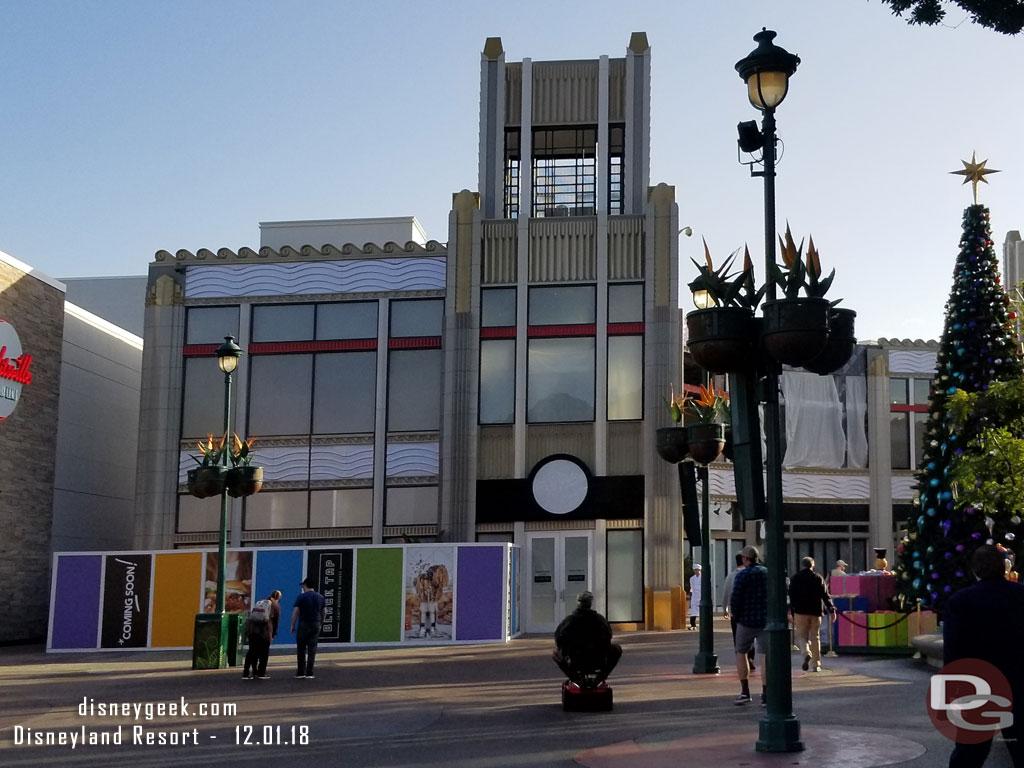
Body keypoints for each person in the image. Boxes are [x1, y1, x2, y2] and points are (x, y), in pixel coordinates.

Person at [944, 545, 1024, 767]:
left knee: (970, 753)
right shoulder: (1021, 596)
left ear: (975, 570)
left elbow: (954, 651)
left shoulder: (960, 601)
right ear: (1004, 568)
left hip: (978, 687)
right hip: (1019, 683)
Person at [553, 591, 622, 688]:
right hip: (598, 659)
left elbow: (558, 639)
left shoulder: (569, 621)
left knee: (556, 653)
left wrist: (567, 649)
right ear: (590, 604)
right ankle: (600, 677)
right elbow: (608, 636)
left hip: (575, 660)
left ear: (578, 603)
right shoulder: (600, 620)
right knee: (617, 649)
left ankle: (576, 678)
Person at [730, 545, 768, 706]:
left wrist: (735, 616)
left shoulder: (742, 575)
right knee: (765, 656)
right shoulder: (768, 573)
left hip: (746, 620)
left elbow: (735, 598)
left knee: (741, 652)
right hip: (766, 621)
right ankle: (766, 694)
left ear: (745, 558)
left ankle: (745, 691)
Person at [788, 556, 836, 672]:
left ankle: (805, 653)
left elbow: (791, 595)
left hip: (800, 612)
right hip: (815, 612)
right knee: (815, 637)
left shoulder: (796, 578)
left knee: (801, 636)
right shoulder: (818, 578)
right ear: (812, 565)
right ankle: (816, 664)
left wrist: (791, 611)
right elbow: (825, 595)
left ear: (802, 565)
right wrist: (832, 610)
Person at [722, 552, 755, 672]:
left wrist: (724, 608)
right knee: (752, 636)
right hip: (751, 611)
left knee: (737, 637)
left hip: (736, 613)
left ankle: (741, 659)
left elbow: (726, 592)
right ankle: (751, 657)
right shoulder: (753, 574)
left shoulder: (731, 576)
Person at [291, 578, 326, 679]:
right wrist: (321, 623)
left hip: (304, 624)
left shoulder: (301, 597)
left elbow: (295, 612)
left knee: (301, 649)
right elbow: (324, 612)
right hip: (315, 624)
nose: (302, 587)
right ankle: (310, 672)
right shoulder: (320, 597)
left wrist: (292, 625)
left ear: (305, 585)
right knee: (312, 649)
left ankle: (300, 672)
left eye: (303, 586)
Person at [243, 589, 282, 679]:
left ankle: (247, 672)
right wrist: (272, 635)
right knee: (264, 653)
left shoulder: (261, 602)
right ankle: (261, 673)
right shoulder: (276, 606)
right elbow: (275, 622)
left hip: (253, 630)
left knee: (252, 651)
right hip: (264, 632)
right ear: (279, 597)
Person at [688, 563, 702, 630]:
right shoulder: (692, 578)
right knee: (693, 611)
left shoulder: (703, 578)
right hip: (694, 595)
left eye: (698, 570)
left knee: (702, 611)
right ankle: (693, 625)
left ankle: (703, 624)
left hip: (701, 595)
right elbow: (692, 587)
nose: (697, 571)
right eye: (695, 570)